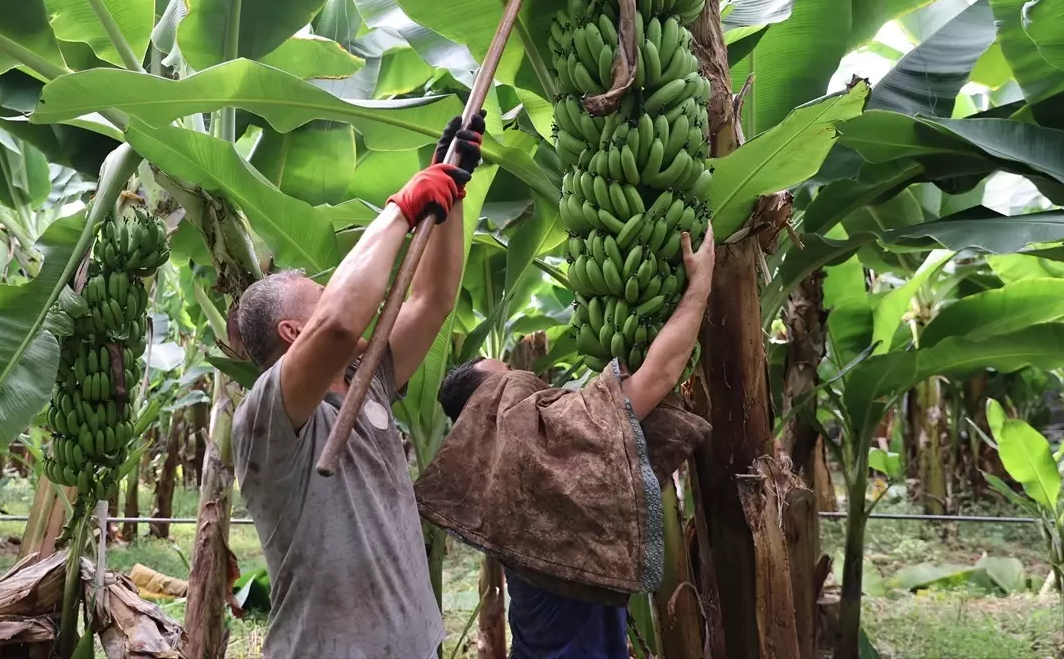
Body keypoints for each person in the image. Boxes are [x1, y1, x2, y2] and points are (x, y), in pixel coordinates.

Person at [231, 113, 486, 658]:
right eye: (321, 293)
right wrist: (401, 207)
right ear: (295, 332)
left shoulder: (367, 381)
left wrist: (451, 189)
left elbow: (432, 299)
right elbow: (340, 322)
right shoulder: (268, 418)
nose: (344, 297)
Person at [416, 224, 716, 659]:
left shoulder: (500, 471)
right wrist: (699, 286)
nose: (526, 383)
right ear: (490, 405)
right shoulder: (546, 439)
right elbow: (662, 373)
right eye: (509, 377)